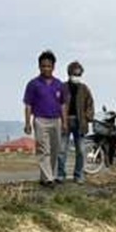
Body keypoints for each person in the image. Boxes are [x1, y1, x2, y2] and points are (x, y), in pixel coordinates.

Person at [23, 51, 69, 187]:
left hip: (56, 120)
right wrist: (27, 123)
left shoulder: (59, 84)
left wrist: (65, 122)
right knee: (44, 150)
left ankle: (45, 177)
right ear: (39, 67)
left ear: (53, 67)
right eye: (43, 66)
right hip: (40, 120)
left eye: (49, 66)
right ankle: (49, 179)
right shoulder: (33, 84)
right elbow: (28, 105)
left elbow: (63, 105)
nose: (46, 69)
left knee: (55, 150)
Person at [57, 61, 95, 184]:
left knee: (81, 150)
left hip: (80, 123)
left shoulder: (84, 89)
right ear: (69, 73)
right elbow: (57, 103)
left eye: (79, 74)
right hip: (65, 121)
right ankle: (60, 175)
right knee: (62, 150)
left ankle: (79, 175)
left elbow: (90, 105)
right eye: (74, 74)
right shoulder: (62, 87)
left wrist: (87, 117)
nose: (76, 76)